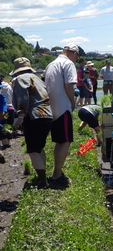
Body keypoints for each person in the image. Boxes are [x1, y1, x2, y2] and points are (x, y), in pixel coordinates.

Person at [11, 57, 53, 189]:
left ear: (17, 71)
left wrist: (20, 116)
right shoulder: (37, 78)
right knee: (39, 147)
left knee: (33, 150)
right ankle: (42, 176)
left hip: (34, 115)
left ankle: (43, 182)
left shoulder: (19, 79)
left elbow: (23, 97)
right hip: (48, 114)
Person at [44, 44, 79, 185]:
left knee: (59, 141)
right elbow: (69, 85)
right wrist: (72, 102)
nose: (77, 59)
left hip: (51, 107)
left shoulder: (51, 64)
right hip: (63, 106)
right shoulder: (68, 64)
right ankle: (57, 174)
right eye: (77, 56)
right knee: (65, 141)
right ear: (74, 53)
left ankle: (56, 172)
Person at [0, 74, 14, 148]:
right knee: (5, 130)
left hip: (8, 107)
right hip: (10, 107)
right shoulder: (2, 97)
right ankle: (6, 144)